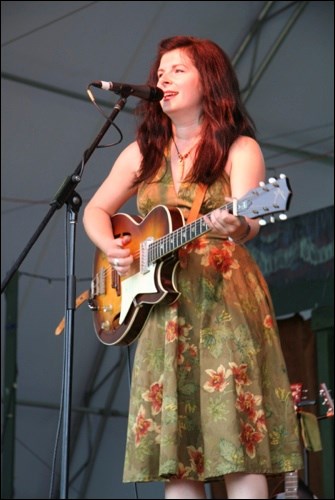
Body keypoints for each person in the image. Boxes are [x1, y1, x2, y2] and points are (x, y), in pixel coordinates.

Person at [83, 36, 303, 499]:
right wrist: (114, 248)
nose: (163, 78)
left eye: (178, 70)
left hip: (220, 298)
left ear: (211, 81)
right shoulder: (143, 153)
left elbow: (249, 224)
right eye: (160, 72)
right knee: (177, 458)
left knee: (236, 443)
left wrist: (234, 223)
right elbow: (95, 211)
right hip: (161, 310)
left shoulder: (238, 148)